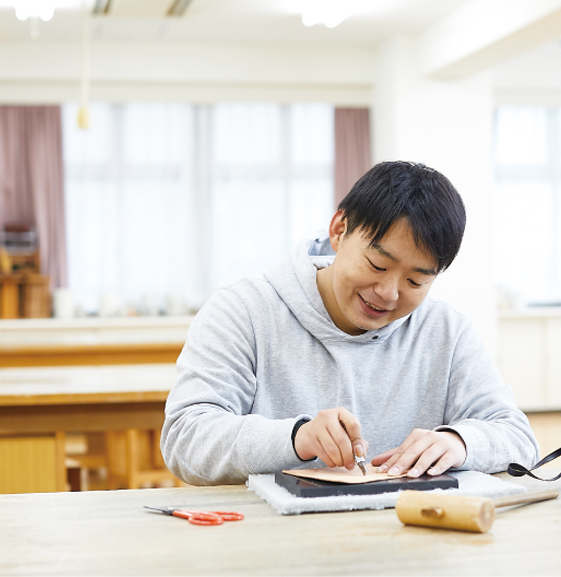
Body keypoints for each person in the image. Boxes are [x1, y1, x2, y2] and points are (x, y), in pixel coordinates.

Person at [161, 160, 539, 485]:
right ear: (339, 229)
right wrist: (296, 438)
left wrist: (460, 441)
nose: (389, 292)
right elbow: (185, 439)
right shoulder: (243, 310)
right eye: (377, 265)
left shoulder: (446, 331)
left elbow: (517, 437)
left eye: (415, 281)